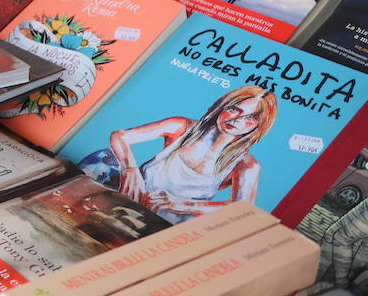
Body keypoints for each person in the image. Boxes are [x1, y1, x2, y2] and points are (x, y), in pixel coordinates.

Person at [77, 85, 276, 224]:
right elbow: (120, 136)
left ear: (259, 125)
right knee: (103, 159)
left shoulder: (247, 165)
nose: (238, 119)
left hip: (168, 219)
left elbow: (242, 208)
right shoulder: (182, 127)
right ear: (222, 107)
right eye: (234, 109)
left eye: (250, 118)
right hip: (130, 195)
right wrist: (130, 170)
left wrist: (179, 203)